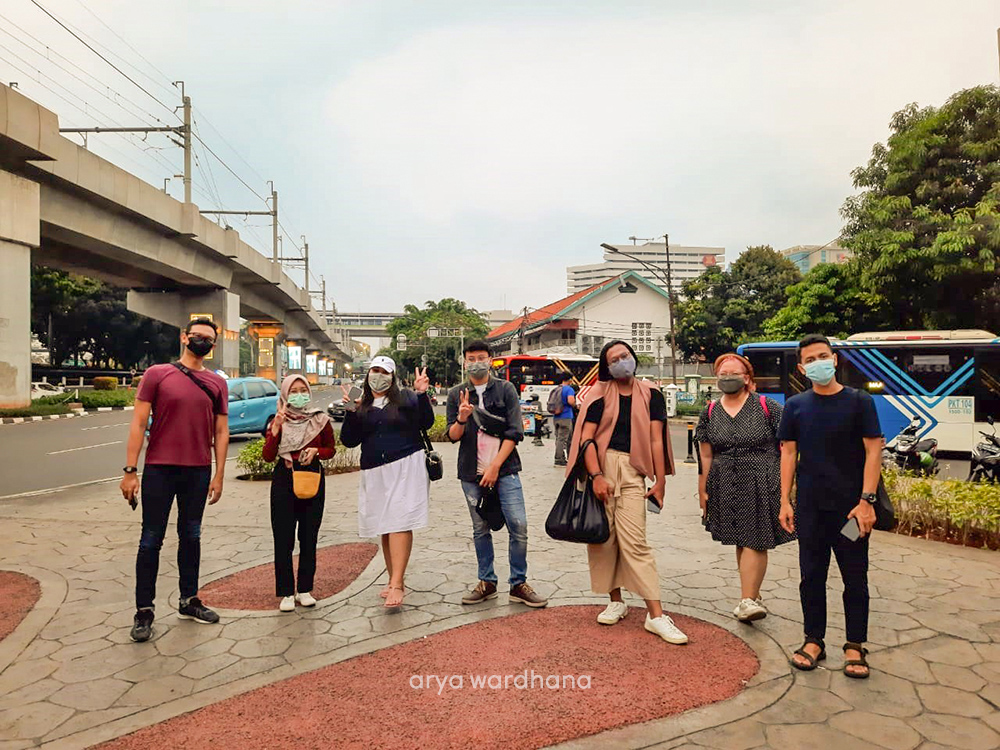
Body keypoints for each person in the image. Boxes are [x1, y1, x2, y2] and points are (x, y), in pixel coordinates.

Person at [777, 333, 882, 679]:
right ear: (801, 368)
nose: (818, 363)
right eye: (810, 360)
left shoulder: (859, 401)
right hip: (811, 511)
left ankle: (855, 645)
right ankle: (813, 640)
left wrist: (866, 502)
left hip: (851, 513)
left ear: (834, 359)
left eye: (823, 356)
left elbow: (873, 451)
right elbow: (788, 453)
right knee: (811, 576)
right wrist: (785, 500)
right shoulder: (796, 406)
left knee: (854, 576)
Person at [566, 340, 684, 644]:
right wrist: (596, 476)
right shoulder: (599, 394)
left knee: (636, 542)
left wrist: (660, 481)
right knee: (603, 539)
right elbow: (586, 439)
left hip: (634, 470)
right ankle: (615, 600)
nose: (622, 361)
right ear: (606, 366)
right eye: (614, 359)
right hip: (601, 467)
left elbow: (656, 439)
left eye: (625, 355)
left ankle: (656, 615)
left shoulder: (651, 394)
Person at [120, 318, 229, 643]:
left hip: (198, 471)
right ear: (184, 338)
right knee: (150, 540)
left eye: (208, 339)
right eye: (197, 336)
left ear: (213, 346)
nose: (202, 341)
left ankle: (189, 600)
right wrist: (130, 471)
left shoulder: (217, 383)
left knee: (191, 536)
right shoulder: (157, 374)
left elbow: (221, 430)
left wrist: (219, 474)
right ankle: (144, 611)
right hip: (160, 469)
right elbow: (139, 423)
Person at [446, 340, 548, 608]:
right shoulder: (457, 393)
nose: (476, 363)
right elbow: (452, 436)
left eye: (481, 357)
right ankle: (487, 582)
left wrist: (494, 467)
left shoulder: (505, 389)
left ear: (490, 360)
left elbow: (515, 432)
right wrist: (462, 418)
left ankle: (518, 583)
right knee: (480, 528)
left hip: (505, 471)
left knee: (518, 525)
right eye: (471, 358)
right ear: (464, 362)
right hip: (471, 473)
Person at [695, 353, 794, 623]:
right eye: (723, 374)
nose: (728, 378)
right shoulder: (710, 412)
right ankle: (752, 595)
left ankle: (747, 600)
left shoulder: (767, 406)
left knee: (754, 539)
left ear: (747, 378)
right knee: (741, 539)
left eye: (734, 373)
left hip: (762, 479)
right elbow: (705, 455)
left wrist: (786, 492)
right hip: (724, 481)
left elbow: (789, 446)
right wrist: (703, 491)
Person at [340, 356, 434, 608]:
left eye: (384, 372)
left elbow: (426, 422)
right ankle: (395, 579)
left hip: (406, 466)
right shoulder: (361, 405)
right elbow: (349, 440)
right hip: (374, 470)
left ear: (392, 377)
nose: (378, 376)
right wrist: (351, 411)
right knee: (385, 524)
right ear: (368, 374)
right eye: (375, 370)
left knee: (399, 522)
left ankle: (397, 583)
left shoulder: (406, 399)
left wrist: (422, 394)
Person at [262, 375, 337, 612]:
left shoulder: (319, 419)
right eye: (293, 391)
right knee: (283, 538)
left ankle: (305, 589)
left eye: (302, 390)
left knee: (309, 537)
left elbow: (331, 449)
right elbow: (267, 456)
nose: (298, 395)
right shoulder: (278, 419)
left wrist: (317, 451)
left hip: (312, 478)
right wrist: (276, 428)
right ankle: (286, 592)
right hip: (284, 480)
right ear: (285, 394)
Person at [552, 372, 577, 467]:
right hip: (566, 416)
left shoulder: (556, 389)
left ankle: (565, 457)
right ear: (569, 379)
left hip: (556, 416)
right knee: (563, 439)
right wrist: (575, 405)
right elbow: (570, 401)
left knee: (559, 438)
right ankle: (559, 459)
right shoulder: (569, 389)